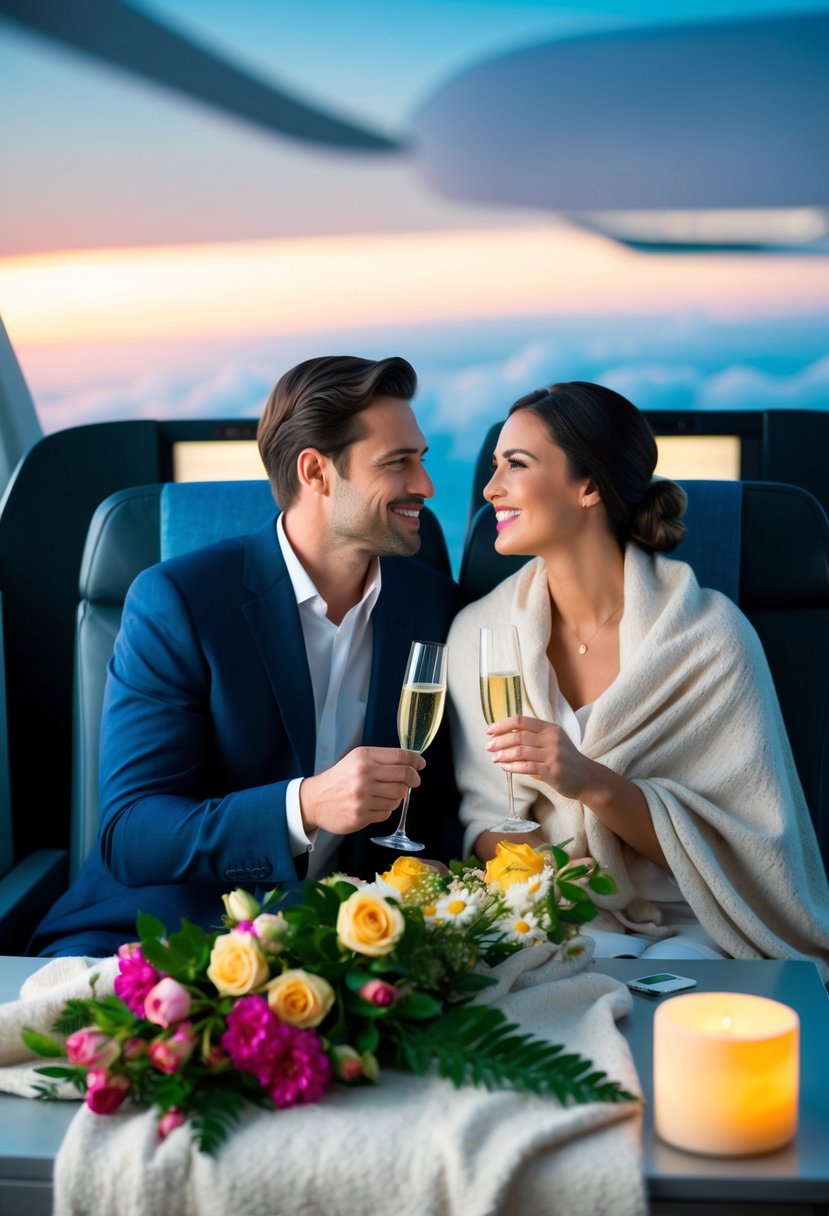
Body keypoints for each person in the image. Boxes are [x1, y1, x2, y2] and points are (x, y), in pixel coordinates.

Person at [32, 355, 463, 957]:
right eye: (398, 463)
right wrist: (305, 805)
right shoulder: (179, 601)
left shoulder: (433, 604)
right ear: (316, 471)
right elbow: (133, 833)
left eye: (421, 458)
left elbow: (441, 799)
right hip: (165, 935)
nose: (426, 485)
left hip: (353, 943)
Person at [447, 381, 829, 976]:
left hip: (704, 923)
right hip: (561, 917)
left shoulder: (708, 637)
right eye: (494, 466)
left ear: (589, 486)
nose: (491, 489)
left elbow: (748, 851)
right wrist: (547, 874)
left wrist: (589, 782)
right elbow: (485, 820)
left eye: (515, 465)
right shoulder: (480, 635)